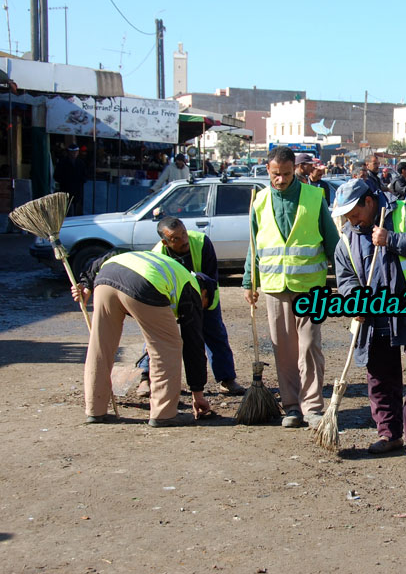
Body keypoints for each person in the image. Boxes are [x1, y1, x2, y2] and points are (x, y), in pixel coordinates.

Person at [332, 179, 406, 458]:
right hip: (375, 317)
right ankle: (389, 433)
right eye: (347, 216)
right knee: (380, 377)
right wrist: (354, 300)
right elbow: (345, 278)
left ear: (368, 203)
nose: (351, 220)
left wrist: (391, 239)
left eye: (355, 213)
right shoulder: (347, 235)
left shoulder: (405, 213)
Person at [243, 146, 339, 429]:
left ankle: (312, 406)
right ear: (268, 171)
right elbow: (253, 247)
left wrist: (347, 280)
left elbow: (331, 241)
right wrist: (250, 281)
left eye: (286, 174)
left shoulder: (313, 196)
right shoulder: (259, 201)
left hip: (311, 287)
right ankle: (291, 406)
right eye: (275, 175)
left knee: (309, 346)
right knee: (283, 350)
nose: (281, 180)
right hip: (275, 287)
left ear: (294, 170)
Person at [72, 250, 216, 426]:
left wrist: (86, 283)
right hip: (144, 284)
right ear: (204, 293)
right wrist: (198, 394)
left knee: (100, 346)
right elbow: (193, 345)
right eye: (204, 306)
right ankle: (164, 413)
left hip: (105, 278)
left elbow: (109, 255)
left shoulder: (167, 266)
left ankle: (95, 410)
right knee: (167, 347)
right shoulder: (191, 287)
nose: (200, 310)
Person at [133, 217, 244, 397]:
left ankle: (227, 379)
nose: (183, 240)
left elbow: (211, 276)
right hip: (171, 300)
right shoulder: (157, 255)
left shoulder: (201, 242)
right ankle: (146, 377)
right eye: (176, 238)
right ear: (165, 241)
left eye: (184, 233)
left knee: (215, 334)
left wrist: (203, 296)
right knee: (155, 338)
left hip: (204, 295)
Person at [53, 144, 87, 216]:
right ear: (69, 152)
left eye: (75, 152)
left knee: (76, 210)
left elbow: (85, 176)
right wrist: (64, 181)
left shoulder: (81, 163)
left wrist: (79, 182)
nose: (74, 154)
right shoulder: (62, 162)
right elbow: (56, 176)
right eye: (72, 152)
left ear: (78, 152)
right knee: (66, 210)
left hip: (77, 191)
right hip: (65, 189)